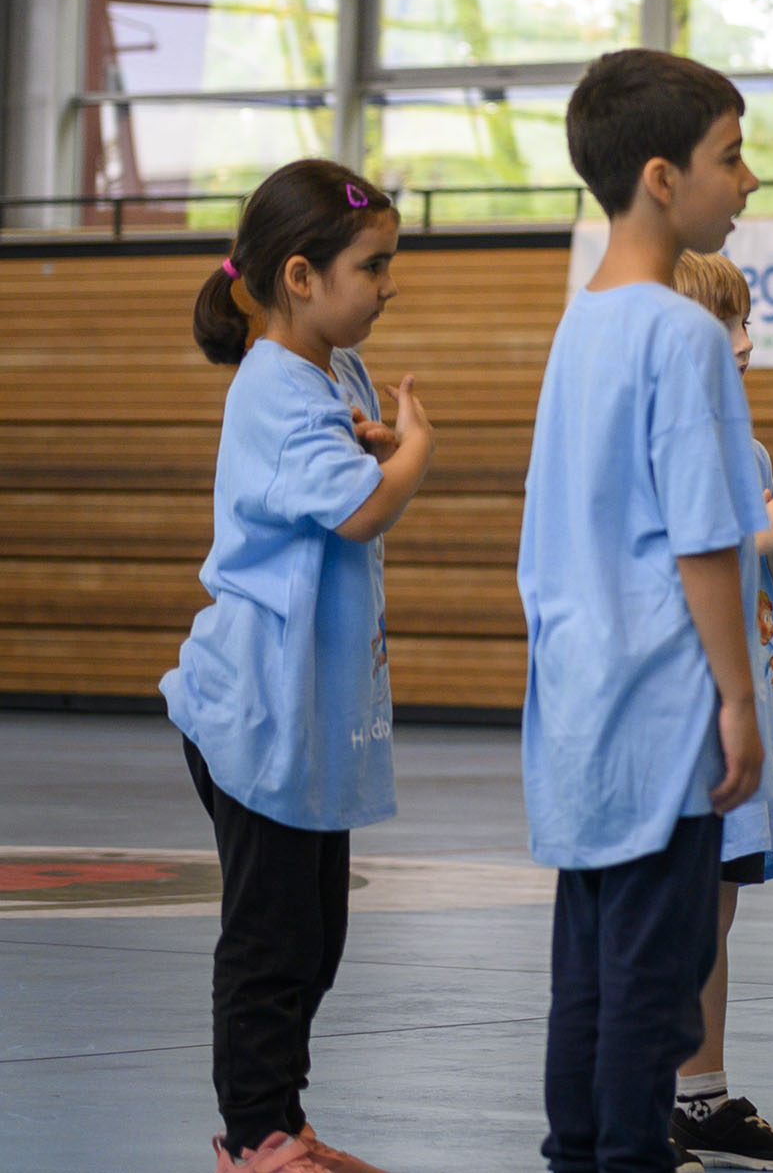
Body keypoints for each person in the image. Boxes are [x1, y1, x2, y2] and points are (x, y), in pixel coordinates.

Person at [522, 50, 772, 1173]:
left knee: (589, 969)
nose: (750, 180)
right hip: (663, 705)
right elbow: (706, 539)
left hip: (578, 708)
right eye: (733, 156)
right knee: (656, 986)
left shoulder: (582, 326)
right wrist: (736, 696)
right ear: (664, 178)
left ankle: (577, 1152)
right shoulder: (681, 335)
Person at [162, 160, 436, 1173]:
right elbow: (364, 505)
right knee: (272, 939)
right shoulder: (274, 385)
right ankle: (255, 1136)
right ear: (301, 276)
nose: (389, 283)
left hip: (308, 704)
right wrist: (411, 450)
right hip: (258, 706)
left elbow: (337, 469)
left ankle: (283, 1117)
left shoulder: (335, 370)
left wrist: (368, 435)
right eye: (374, 264)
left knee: (318, 933)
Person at [665, 253, 773, 1173]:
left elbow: (765, 592)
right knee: (673, 916)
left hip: (748, 718)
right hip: (686, 719)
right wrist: (753, 536)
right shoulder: (663, 446)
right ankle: (642, 1096)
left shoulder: (749, 451)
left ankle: (702, 1094)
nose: (746, 340)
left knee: (714, 916)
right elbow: (667, 573)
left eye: (746, 319)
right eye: (725, 325)